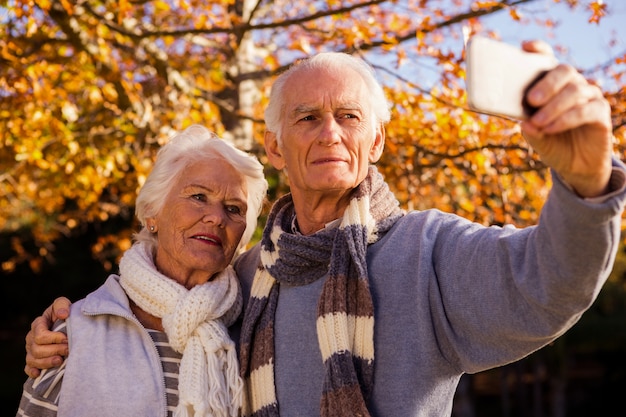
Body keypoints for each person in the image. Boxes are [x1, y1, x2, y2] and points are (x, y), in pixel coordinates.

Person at [25, 41, 626, 417]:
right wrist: (63, 331)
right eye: (307, 118)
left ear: (378, 141)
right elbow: (155, 315)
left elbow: (546, 283)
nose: (329, 134)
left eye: (348, 117)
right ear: (275, 146)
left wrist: (585, 188)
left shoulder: (427, 250)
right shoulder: (242, 277)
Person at [16, 124, 268, 417]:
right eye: (198, 196)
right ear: (152, 212)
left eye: (234, 209)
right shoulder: (75, 332)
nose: (216, 217)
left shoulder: (256, 330)